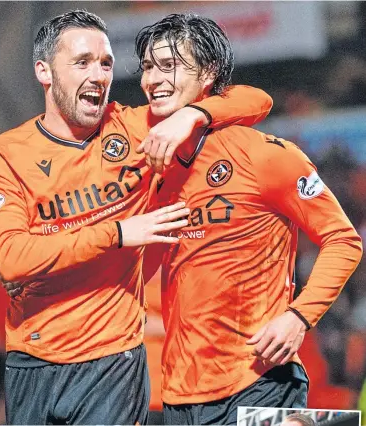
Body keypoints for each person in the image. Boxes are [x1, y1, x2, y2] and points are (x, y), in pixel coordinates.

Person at [0, 9, 272, 425]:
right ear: (44, 72)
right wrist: (118, 232)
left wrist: (193, 115)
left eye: (106, 63)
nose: (98, 74)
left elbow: (256, 99)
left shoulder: (134, 128)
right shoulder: (2, 154)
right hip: (33, 360)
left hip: (113, 363)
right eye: (82, 62)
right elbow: (13, 257)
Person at [135, 13, 363, 425]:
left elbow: (344, 241)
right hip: (177, 393)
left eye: (169, 65)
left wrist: (299, 315)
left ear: (207, 73)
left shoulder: (267, 156)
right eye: (148, 67)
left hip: (258, 378)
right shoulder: (154, 166)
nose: (153, 79)